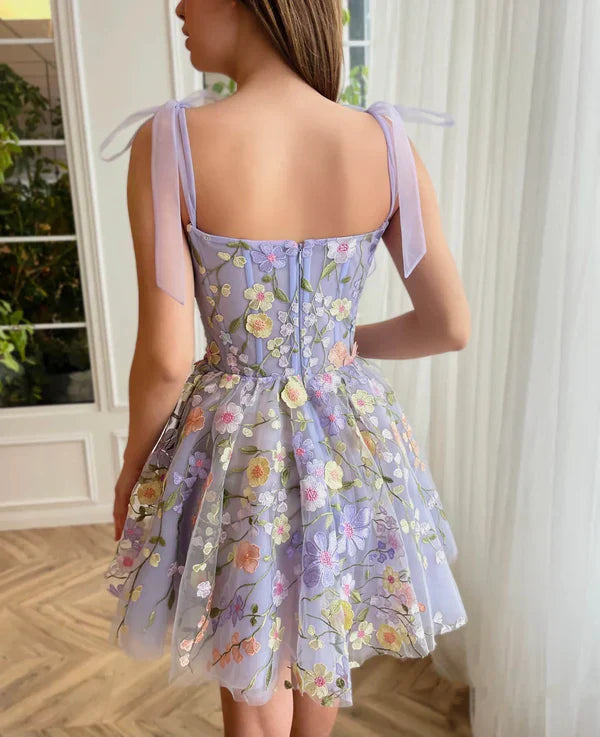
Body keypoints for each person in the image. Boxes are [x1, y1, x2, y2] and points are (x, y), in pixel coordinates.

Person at [98, 1, 470, 736]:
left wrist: (136, 471)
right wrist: (335, 348)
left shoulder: (172, 141)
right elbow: (448, 325)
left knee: (248, 655)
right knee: (319, 632)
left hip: (235, 447)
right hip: (348, 441)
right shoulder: (386, 143)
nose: (179, 7)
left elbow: (167, 357)